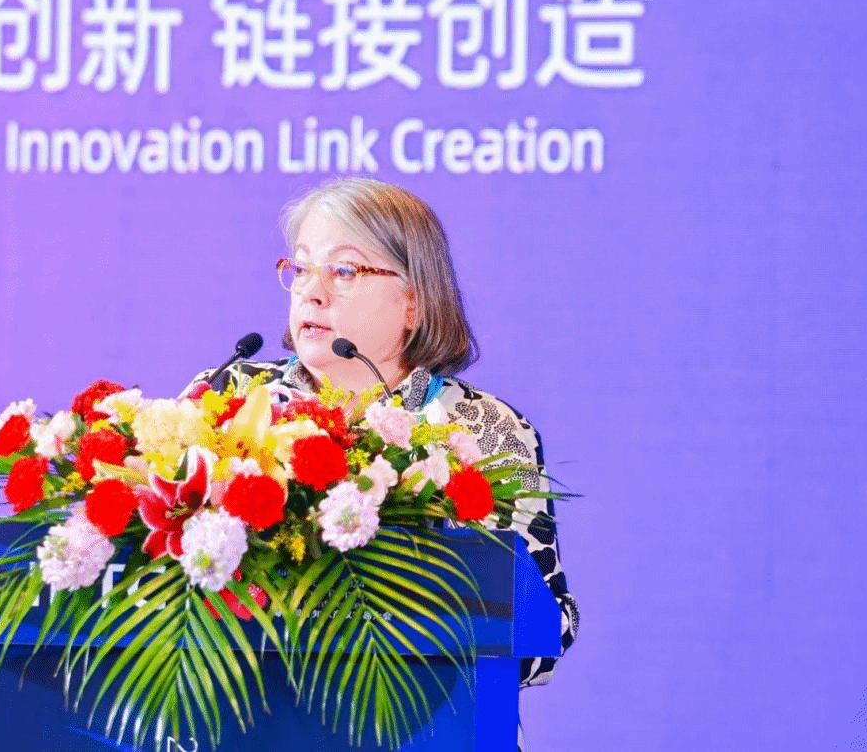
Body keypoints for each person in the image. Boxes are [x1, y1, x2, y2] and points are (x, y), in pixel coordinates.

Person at [189, 176, 578, 751]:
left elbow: (546, 636)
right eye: (301, 268)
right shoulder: (227, 399)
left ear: (413, 302)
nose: (311, 292)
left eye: (344, 271)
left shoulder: (486, 430)